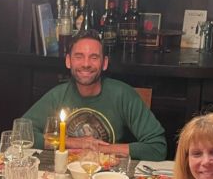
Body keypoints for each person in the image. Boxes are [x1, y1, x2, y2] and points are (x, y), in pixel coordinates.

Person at [22, 31, 166, 160]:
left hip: (110, 175)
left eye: (94, 57)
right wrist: (72, 142)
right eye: (79, 56)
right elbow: (22, 134)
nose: (86, 64)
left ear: (104, 63)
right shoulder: (57, 95)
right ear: (68, 61)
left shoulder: (123, 94)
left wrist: (100, 149)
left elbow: (157, 147)